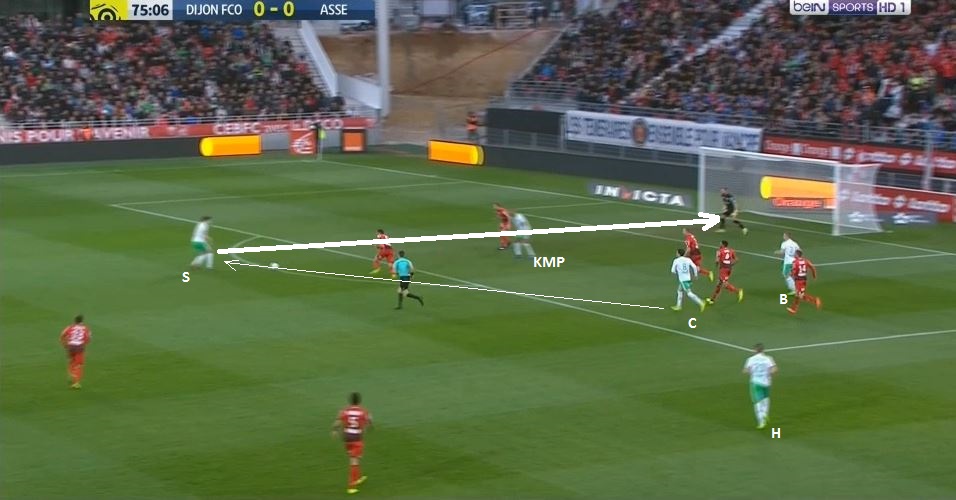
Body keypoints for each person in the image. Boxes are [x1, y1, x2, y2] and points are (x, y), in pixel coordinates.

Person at [332, 392, 373, 495]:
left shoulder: (345, 411)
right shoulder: (363, 411)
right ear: (359, 401)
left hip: (346, 437)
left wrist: (334, 430)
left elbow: (338, 421)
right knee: (354, 461)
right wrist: (369, 426)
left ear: (350, 401)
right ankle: (351, 487)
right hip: (357, 438)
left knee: (355, 458)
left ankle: (358, 478)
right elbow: (369, 421)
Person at [743, 343, 777, 430]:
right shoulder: (768, 358)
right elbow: (774, 369)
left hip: (756, 383)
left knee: (757, 402)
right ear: (763, 350)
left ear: (755, 350)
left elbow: (745, 370)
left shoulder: (750, 359)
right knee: (766, 399)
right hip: (767, 382)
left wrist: (752, 372)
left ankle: (761, 422)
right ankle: (765, 414)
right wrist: (768, 374)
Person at [707, 240, 744, 304]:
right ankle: (712, 299)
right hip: (729, 269)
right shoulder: (731, 250)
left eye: (720, 244)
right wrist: (731, 265)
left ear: (723, 245)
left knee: (724, 284)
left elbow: (717, 261)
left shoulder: (719, 251)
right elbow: (737, 259)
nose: (719, 245)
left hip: (723, 270)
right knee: (719, 284)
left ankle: (738, 291)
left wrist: (716, 265)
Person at [670, 248, 707, 312]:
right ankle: (678, 306)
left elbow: (673, 271)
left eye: (677, 253)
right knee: (679, 290)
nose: (676, 254)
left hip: (683, 280)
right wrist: (695, 275)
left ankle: (701, 302)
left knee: (689, 293)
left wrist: (677, 272)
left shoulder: (676, 260)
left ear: (679, 254)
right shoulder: (688, 259)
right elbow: (694, 267)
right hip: (688, 278)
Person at [60, 315, 91, 389]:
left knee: (71, 361)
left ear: (75, 321)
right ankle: (76, 383)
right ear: (82, 321)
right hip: (79, 347)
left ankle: (71, 375)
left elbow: (62, 335)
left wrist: (64, 345)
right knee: (79, 365)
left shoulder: (70, 327)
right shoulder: (86, 328)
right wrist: (83, 344)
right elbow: (88, 339)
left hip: (70, 346)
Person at [788, 250, 822, 315]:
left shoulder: (795, 262)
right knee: (799, 295)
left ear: (797, 255)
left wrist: (791, 274)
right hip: (803, 280)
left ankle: (815, 300)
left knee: (799, 295)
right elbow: (812, 267)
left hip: (798, 281)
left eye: (795, 254)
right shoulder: (806, 261)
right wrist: (814, 275)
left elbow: (793, 271)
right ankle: (793, 309)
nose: (794, 255)